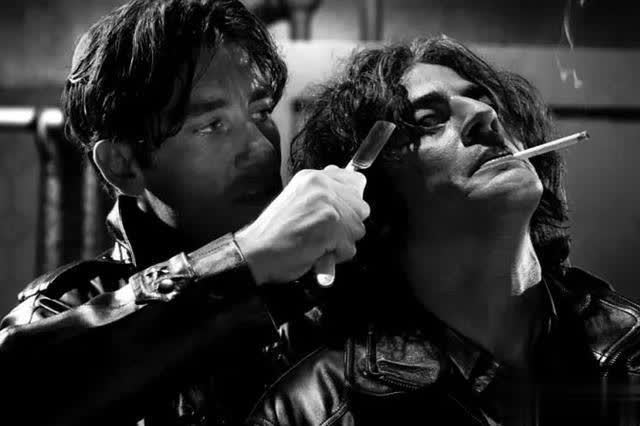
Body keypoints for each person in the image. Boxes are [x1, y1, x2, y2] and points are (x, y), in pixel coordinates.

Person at [0, 1, 370, 425]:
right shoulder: (59, 308)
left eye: (261, 112)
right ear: (123, 165)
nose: (263, 149)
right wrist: (243, 259)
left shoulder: (327, 285)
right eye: (211, 125)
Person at [246, 36, 640, 426]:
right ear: (372, 197)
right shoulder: (311, 412)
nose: (485, 115)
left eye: (485, 101)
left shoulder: (632, 350)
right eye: (428, 120)